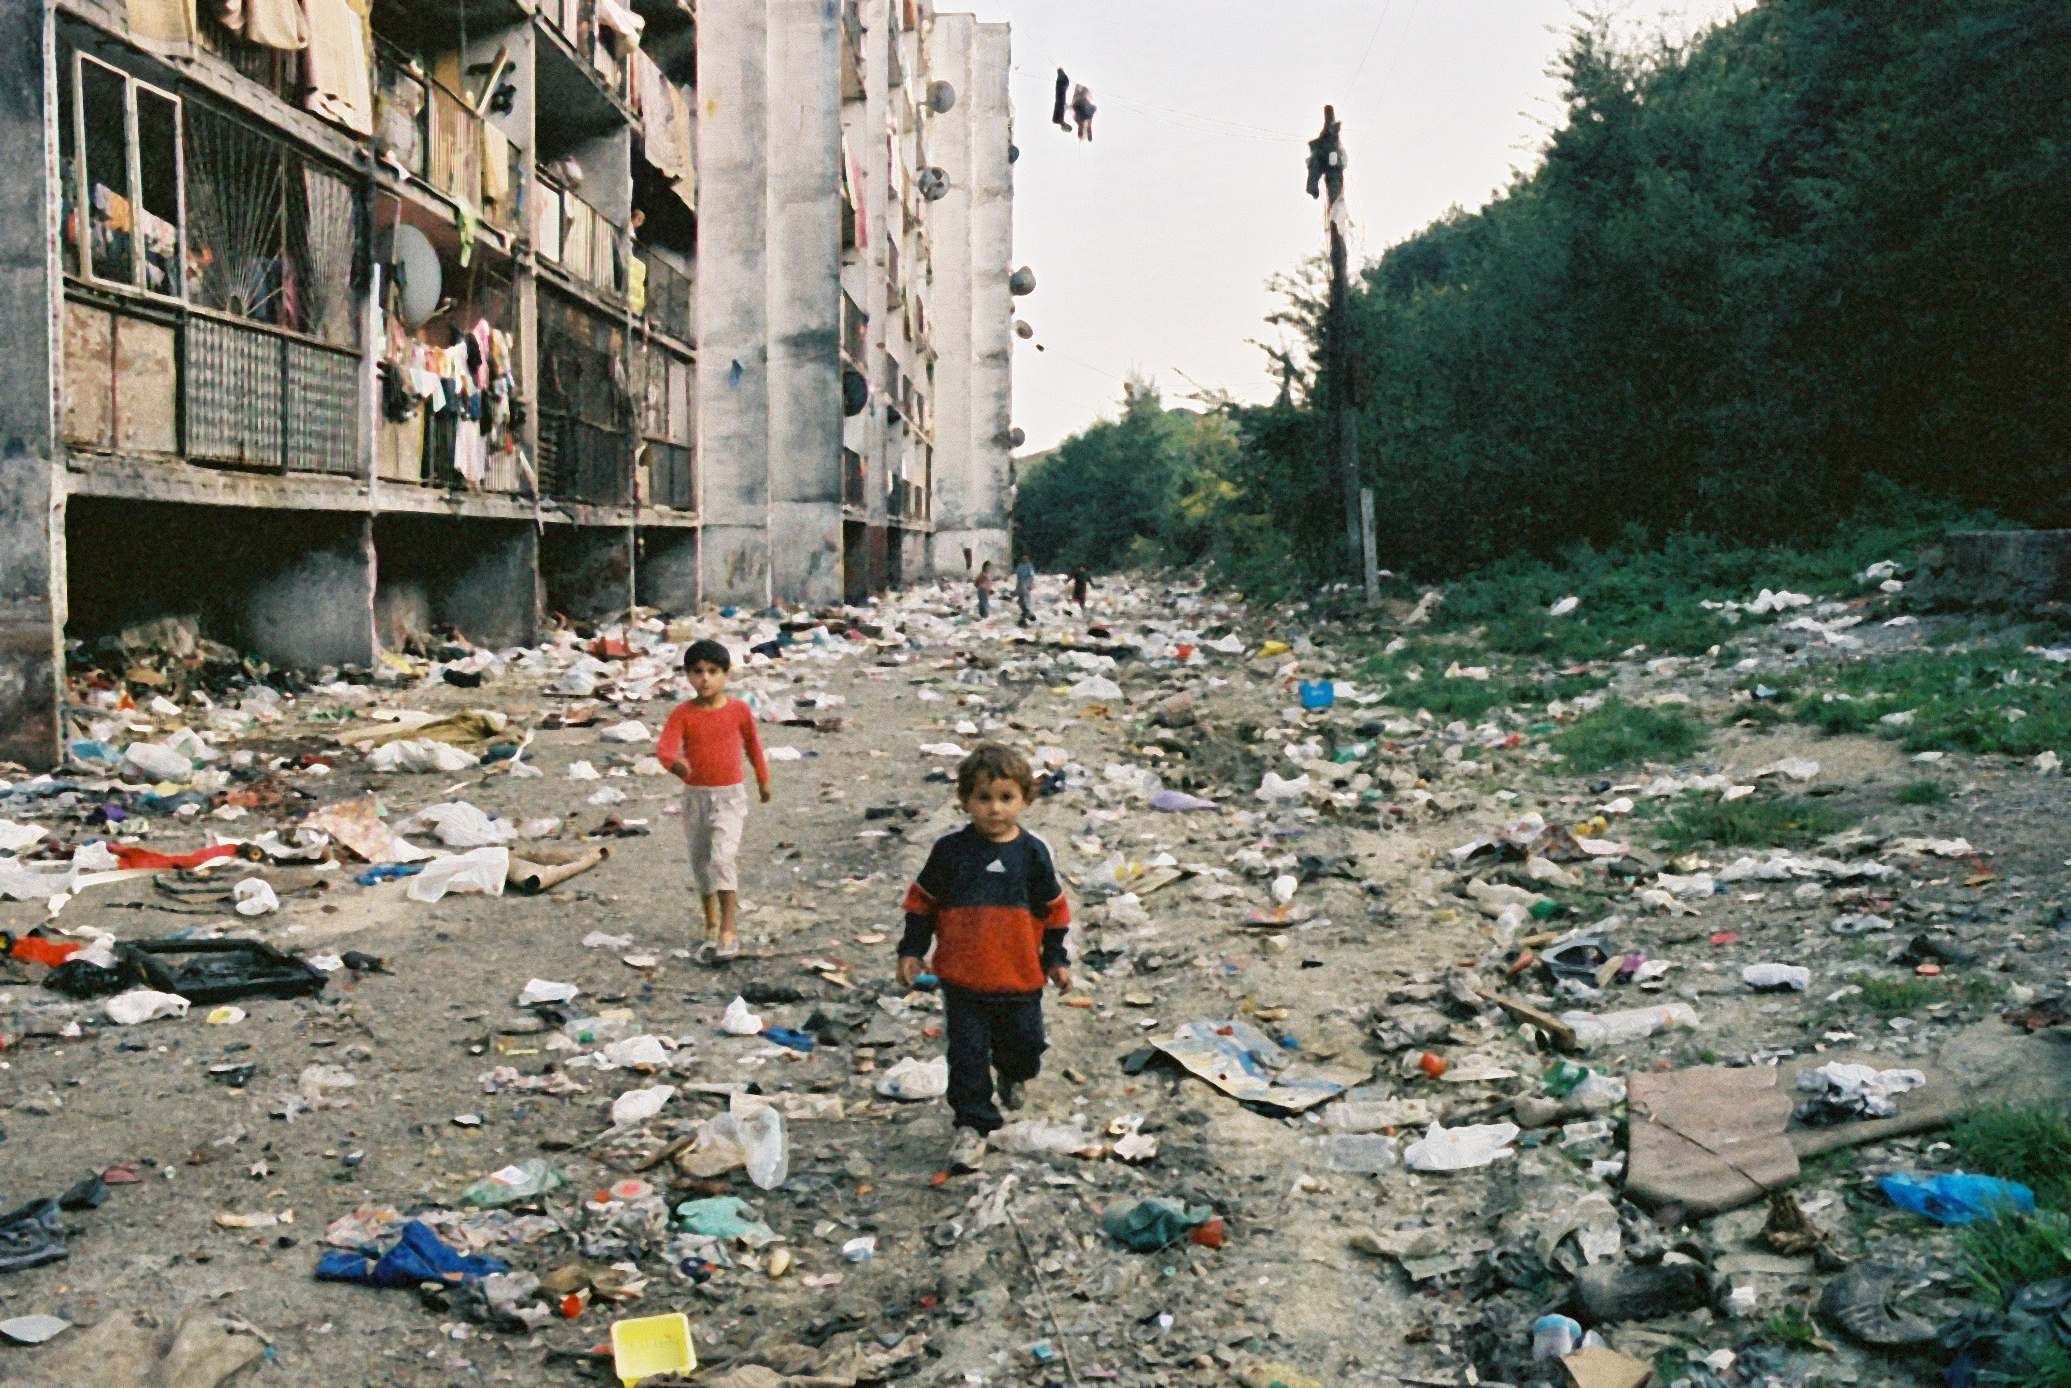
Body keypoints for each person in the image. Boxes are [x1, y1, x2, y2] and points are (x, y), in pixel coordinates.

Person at [898, 744, 1072, 1172]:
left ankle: (1014, 1075)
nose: (995, 808)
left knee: (1025, 1047)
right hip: (964, 982)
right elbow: (922, 904)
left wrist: (1056, 959)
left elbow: (1054, 912)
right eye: (983, 798)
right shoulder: (950, 852)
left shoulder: (1033, 854)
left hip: (1020, 979)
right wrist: (912, 950)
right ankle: (973, 1126)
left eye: (1006, 797)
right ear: (964, 801)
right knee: (967, 1057)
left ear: (1025, 799)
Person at [655, 639, 771, 960]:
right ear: (688, 675)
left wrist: (763, 780)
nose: (705, 679)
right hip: (696, 798)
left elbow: (753, 746)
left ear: (726, 674)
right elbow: (665, 748)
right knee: (701, 861)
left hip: (730, 796)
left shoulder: (738, 710)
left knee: (722, 857)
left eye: (712, 671)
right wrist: (674, 764)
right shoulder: (682, 714)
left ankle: (728, 928)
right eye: (697, 672)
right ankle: (710, 922)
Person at [1014, 554, 1036, 626]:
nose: (1025, 559)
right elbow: (1018, 576)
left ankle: (1026, 612)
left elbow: (1031, 575)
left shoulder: (1029, 566)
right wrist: (1017, 584)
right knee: (1021, 599)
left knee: (1026, 598)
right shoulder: (1020, 566)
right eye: (1024, 558)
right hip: (1021, 583)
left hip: (1027, 582)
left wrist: (1031, 583)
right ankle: (1024, 612)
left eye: (1026, 558)